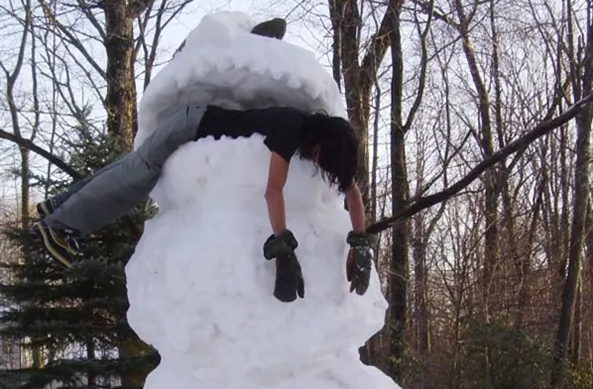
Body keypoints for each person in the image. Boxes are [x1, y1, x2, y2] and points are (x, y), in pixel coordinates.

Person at [35, 103, 376, 302]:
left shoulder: (314, 137)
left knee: (128, 168)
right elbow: (273, 190)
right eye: (319, 157)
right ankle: (62, 227)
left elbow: (352, 192)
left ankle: (57, 207)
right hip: (190, 125)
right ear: (320, 141)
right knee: (136, 177)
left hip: (194, 121)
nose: (316, 163)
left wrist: (360, 244)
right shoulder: (290, 129)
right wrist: (282, 247)